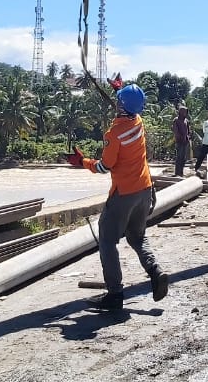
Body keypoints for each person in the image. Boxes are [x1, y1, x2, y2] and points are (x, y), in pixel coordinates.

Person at [65, 84, 169, 311]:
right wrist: (120, 91)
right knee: (137, 237)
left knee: (107, 241)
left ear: (122, 105)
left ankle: (115, 294)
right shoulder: (138, 122)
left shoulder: (114, 134)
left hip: (123, 194)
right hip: (144, 189)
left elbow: (105, 166)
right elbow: (128, 105)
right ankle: (155, 271)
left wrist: (82, 162)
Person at [172, 105, 192, 177]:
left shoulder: (186, 121)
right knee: (179, 157)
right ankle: (177, 172)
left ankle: (181, 172)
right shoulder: (176, 120)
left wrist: (188, 137)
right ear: (180, 112)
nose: (185, 113)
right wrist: (180, 137)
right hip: (179, 141)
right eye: (184, 112)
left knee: (183, 158)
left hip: (185, 141)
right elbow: (175, 130)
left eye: (186, 112)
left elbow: (188, 130)